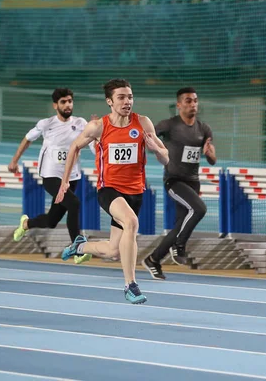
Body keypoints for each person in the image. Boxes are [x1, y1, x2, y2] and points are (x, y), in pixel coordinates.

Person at [55, 79, 169, 304]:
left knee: (113, 251)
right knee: (132, 223)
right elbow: (74, 147)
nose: (128, 101)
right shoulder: (98, 127)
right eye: (121, 97)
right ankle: (131, 285)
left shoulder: (143, 123)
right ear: (109, 101)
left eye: (130, 97)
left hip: (135, 192)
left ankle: (80, 246)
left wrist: (156, 149)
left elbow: (166, 159)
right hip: (109, 190)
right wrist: (64, 182)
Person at [8, 88, 94, 264]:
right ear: (55, 105)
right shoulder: (46, 124)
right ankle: (77, 249)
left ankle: (26, 224)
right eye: (63, 102)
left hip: (72, 176)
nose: (68, 104)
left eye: (70, 101)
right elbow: (27, 139)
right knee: (74, 203)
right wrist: (14, 161)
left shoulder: (81, 123)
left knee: (51, 220)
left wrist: (97, 138)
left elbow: (92, 144)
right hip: (50, 175)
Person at [142, 87, 216, 280]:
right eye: (188, 101)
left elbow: (213, 159)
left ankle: (154, 259)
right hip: (174, 181)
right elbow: (147, 137)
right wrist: (154, 147)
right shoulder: (169, 125)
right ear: (179, 104)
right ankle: (179, 246)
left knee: (179, 225)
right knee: (199, 209)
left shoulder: (204, 128)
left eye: (195, 101)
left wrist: (209, 154)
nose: (193, 104)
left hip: (193, 182)